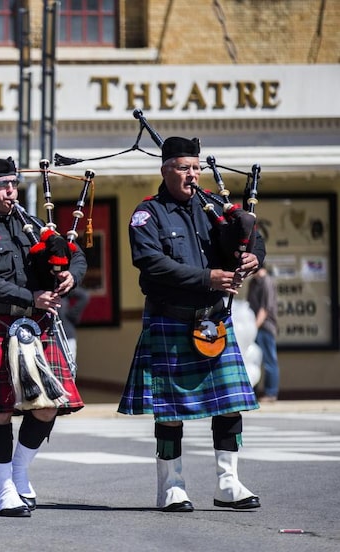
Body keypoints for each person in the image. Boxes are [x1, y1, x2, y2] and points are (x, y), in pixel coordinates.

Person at [119, 136, 264, 513]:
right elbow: (152, 263)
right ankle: (171, 486)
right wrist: (208, 278)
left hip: (214, 320)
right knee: (169, 412)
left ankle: (229, 483)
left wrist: (253, 258)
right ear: (165, 170)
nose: (193, 175)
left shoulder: (213, 206)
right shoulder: (147, 214)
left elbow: (251, 239)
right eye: (184, 168)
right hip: (171, 319)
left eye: (196, 168)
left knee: (230, 405)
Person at [0, 156, 85, 517]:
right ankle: (4, 489)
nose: (11, 190)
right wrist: (31, 298)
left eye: (13, 183)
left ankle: (18, 469)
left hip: (34, 329)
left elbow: (74, 254)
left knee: (47, 406)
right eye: (2, 184)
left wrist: (70, 274)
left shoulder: (31, 225)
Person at [247, 264, 279, 402]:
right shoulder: (253, 282)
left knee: (269, 360)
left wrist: (254, 327)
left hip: (265, 326)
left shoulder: (266, 281)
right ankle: (252, 392)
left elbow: (265, 308)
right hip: (254, 326)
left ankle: (271, 393)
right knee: (253, 360)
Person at [56, 286, 90, 363]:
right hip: (43, 335)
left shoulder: (60, 286)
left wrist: (71, 316)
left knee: (68, 369)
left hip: (66, 334)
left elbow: (84, 296)